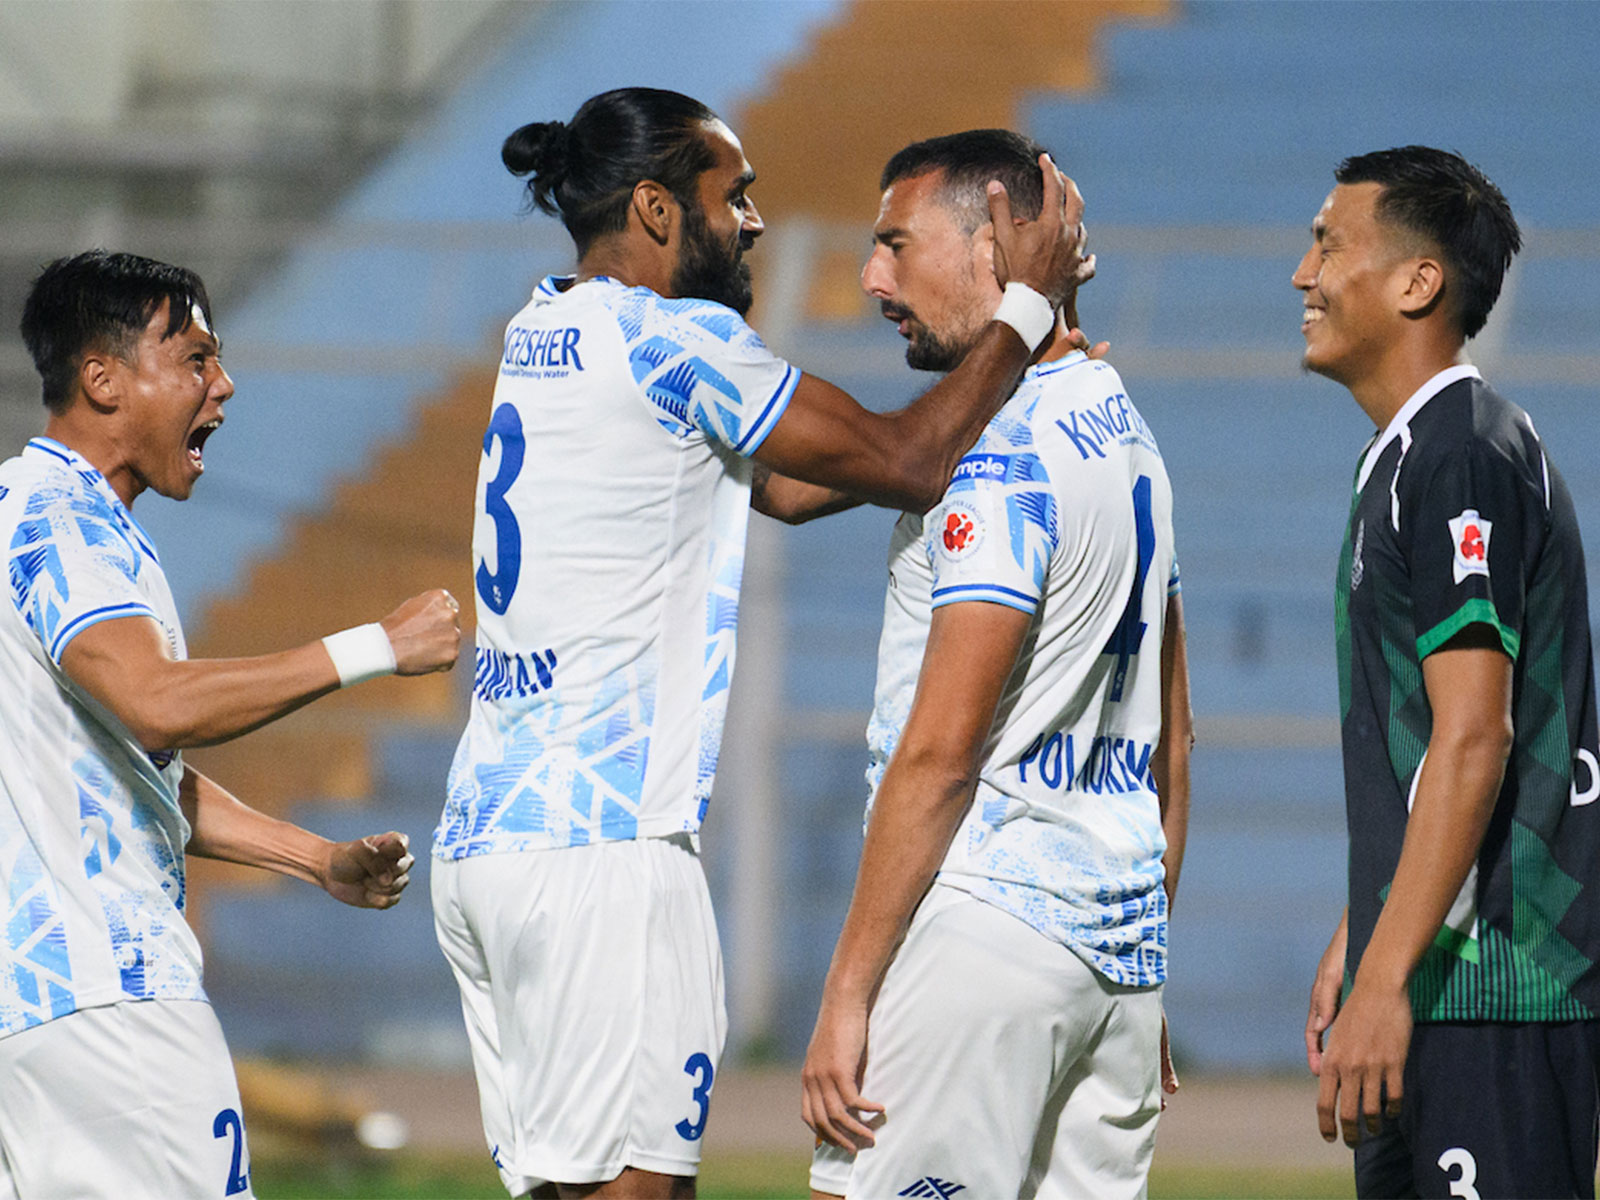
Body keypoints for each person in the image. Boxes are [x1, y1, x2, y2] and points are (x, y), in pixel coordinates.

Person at [430, 88, 1095, 1200]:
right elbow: (905, 464)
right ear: (653, 208)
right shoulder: (672, 337)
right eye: (731, 196)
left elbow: (783, 487)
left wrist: (978, 394)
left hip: (489, 842)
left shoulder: (543, 326)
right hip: (608, 851)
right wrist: (1025, 314)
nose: (753, 221)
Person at [0, 250, 461, 1199]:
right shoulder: (62, 524)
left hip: (42, 1006)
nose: (225, 384)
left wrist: (310, 857)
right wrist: (374, 645)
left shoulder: (30, 512)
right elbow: (155, 702)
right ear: (103, 379)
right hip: (112, 1003)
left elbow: (130, 766)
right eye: (198, 358)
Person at [800, 129, 1191, 1200]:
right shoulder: (1128, 433)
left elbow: (940, 754)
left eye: (894, 244)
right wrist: (1139, 960)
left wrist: (847, 993)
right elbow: (1174, 737)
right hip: (1114, 958)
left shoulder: (1001, 455)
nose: (872, 277)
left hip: (983, 932)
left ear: (995, 254)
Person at [1297, 147, 1600, 1198]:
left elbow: (1475, 736)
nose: (1304, 274)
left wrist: (1385, 976)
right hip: (1443, 978)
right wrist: (1367, 932)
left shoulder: (1460, 454)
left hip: (1495, 991)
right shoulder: (1410, 455)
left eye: (1329, 244)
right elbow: (1428, 747)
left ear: (1418, 282)